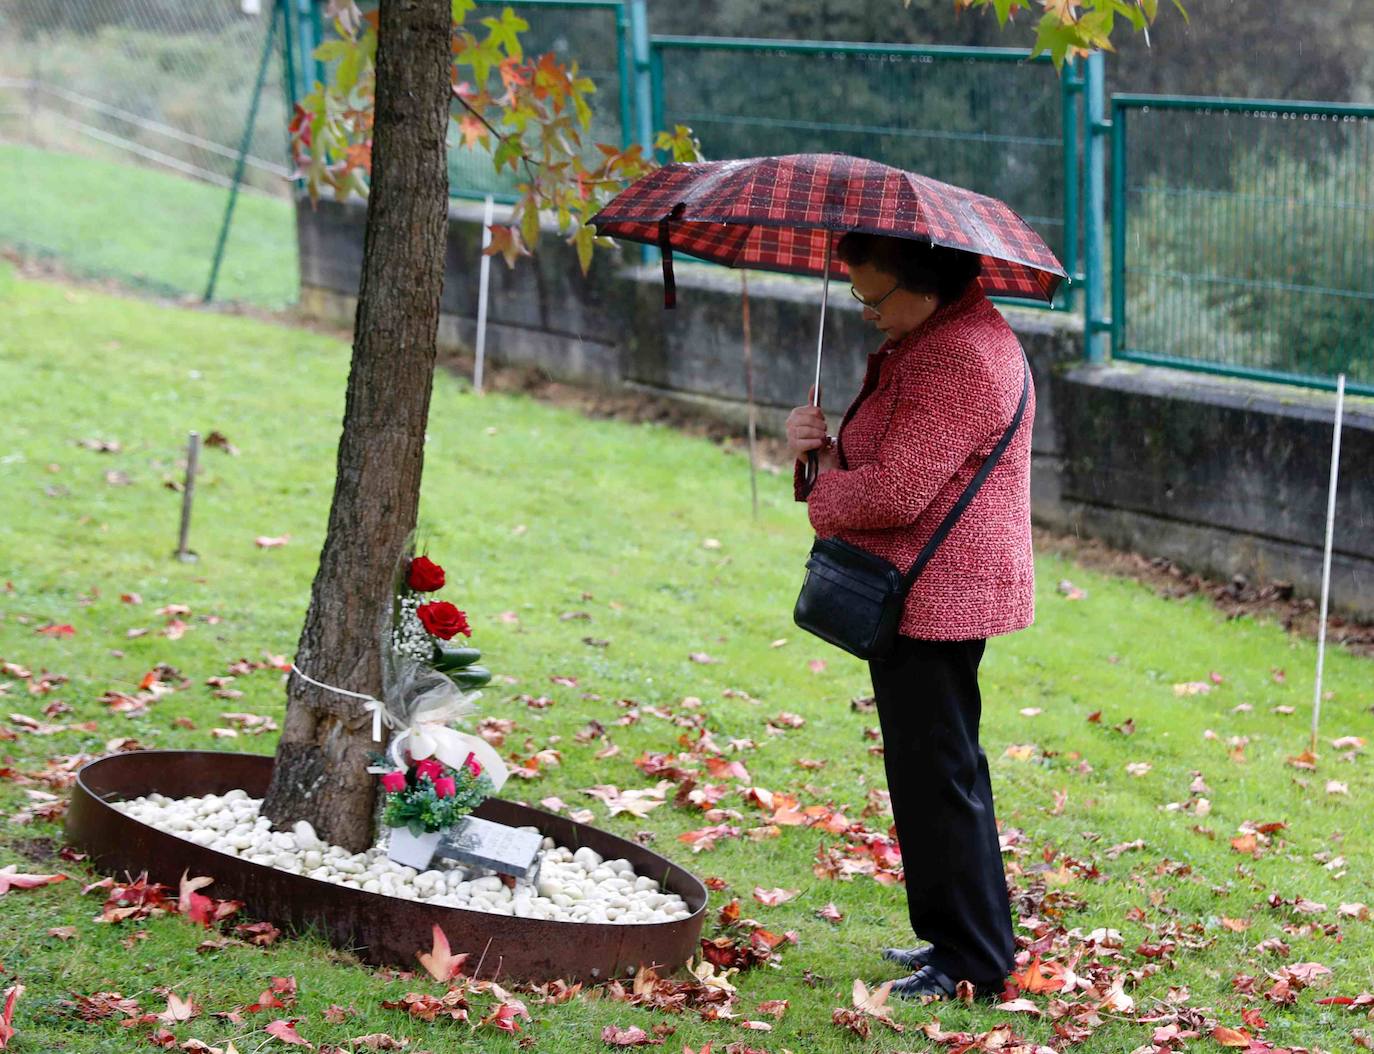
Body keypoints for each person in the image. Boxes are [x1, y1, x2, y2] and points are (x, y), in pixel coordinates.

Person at [785, 232, 1035, 1001]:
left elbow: (897, 493)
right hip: (928, 588)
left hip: (939, 595)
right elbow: (890, 463)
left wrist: (823, 497)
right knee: (933, 772)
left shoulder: (957, 356)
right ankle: (958, 938)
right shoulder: (938, 336)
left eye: (873, 297)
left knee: (940, 777)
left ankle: (974, 959)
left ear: (923, 286)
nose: (864, 312)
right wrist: (820, 454)